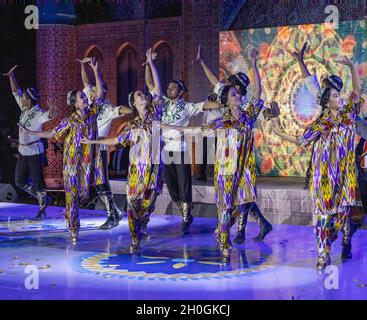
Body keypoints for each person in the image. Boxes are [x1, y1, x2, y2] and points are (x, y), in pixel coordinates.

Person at [273, 56, 363, 270]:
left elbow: (357, 93)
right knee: (323, 215)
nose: (339, 97)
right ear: (326, 101)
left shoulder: (349, 114)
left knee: (342, 215)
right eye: (335, 95)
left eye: (338, 93)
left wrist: (351, 66)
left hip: (345, 174)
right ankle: (323, 254)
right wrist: (278, 131)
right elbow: (301, 140)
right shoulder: (321, 123)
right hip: (323, 175)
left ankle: (334, 238)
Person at [82, 49, 164, 252]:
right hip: (137, 169)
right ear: (134, 104)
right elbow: (115, 140)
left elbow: (158, 89)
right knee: (133, 203)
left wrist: (151, 64)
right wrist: (92, 142)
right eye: (139, 95)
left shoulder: (155, 113)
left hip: (155, 166)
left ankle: (142, 224)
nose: (143, 95)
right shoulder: (131, 125)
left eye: (144, 94)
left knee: (149, 203)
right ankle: (135, 236)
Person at [193, 45, 276, 243]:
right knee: (236, 196)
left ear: (240, 88)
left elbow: (262, 105)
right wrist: (202, 62)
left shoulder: (246, 104)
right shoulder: (228, 99)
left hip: (242, 153)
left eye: (234, 86)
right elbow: (215, 82)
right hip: (227, 152)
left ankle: (240, 230)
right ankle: (254, 225)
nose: (229, 87)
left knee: (244, 194)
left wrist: (272, 113)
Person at [19, 58, 106, 242]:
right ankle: (74, 229)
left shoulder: (92, 113)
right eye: (82, 97)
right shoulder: (69, 121)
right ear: (75, 103)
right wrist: (31, 132)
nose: (85, 97)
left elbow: (99, 95)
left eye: (85, 96)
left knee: (83, 194)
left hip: (89, 162)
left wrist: (95, 71)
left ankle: (70, 213)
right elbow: (52, 133)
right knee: (73, 195)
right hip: (73, 164)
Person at [145, 51, 225, 236]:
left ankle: (186, 217)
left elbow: (205, 105)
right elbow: (150, 84)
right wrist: (149, 63)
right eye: (169, 87)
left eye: (174, 88)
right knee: (172, 188)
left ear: (180, 92)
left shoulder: (187, 107)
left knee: (184, 185)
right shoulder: (162, 103)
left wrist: (223, 104)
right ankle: (184, 210)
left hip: (180, 149)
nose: (169, 89)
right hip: (167, 149)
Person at [77, 57, 133, 229]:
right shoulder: (91, 106)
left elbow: (125, 110)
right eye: (90, 92)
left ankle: (112, 215)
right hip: (87, 149)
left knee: (102, 182)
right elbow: (86, 82)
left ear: (103, 92)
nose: (90, 93)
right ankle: (114, 211)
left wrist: (129, 110)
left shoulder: (106, 108)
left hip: (99, 148)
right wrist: (82, 66)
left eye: (94, 91)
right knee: (95, 182)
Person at [3, 65, 56, 219]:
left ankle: (42, 208)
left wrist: (52, 110)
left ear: (30, 99)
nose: (23, 98)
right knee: (19, 181)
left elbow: (49, 115)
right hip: (23, 151)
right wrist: (11, 76)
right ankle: (43, 198)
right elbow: (15, 92)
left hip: (34, 151)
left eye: (25, 97)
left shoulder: (38, 112)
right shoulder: (24, 108)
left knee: (38, 181)